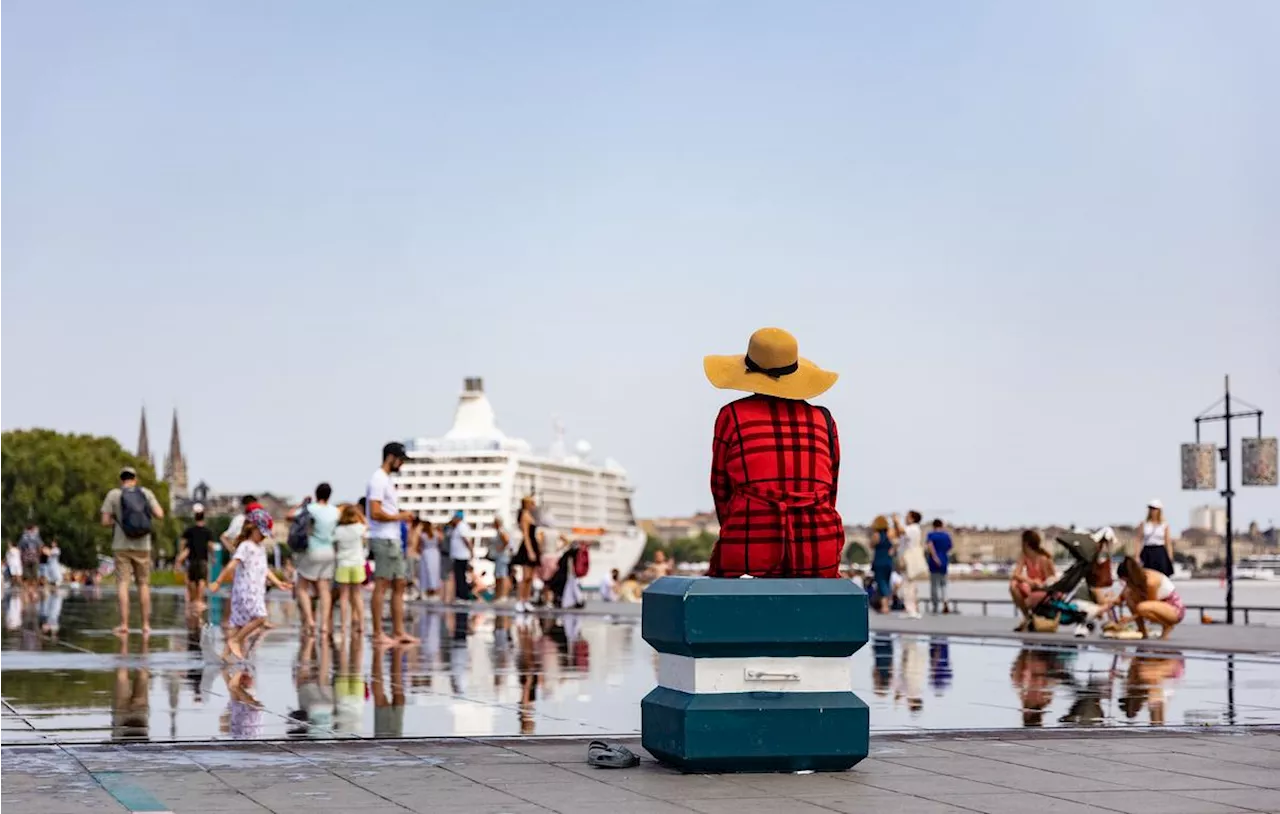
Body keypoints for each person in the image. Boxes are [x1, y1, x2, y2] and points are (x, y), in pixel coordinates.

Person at [703, 327, 844, 578]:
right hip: (819, 549)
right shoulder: (824, 419)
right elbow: (830, 490)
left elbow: (720, 489)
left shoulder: (732, 416)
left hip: (749, 547)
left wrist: (746, 522)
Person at [210, 508, 292, 660]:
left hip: (254, 591)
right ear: (251, 528)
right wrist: (218, 581)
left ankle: (224, 657)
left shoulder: (260, 548)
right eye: (261, 533)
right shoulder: (246, 546)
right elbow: (232, 565)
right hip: (246, 591)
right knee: (260, 617)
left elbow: (265, 570)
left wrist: (278, 582)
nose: (263, 537)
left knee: (238, 626)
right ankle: (235, 641)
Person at [100, 466, 165, 636]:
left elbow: (104, 521)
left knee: (123, 583)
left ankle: (124, 624)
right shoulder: (146, 493)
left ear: (121, 479)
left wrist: (117, 521)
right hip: (143, 545)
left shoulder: (114, 495)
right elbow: (160, 513)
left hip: (121, 545)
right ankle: (145, 625)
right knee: (143, 584)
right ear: (135, 479)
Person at [366, 442, 418, 647]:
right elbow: (376, 511)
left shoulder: (386, 480)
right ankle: (378, 632)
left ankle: (398, 631)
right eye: (400, 460)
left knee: (399, 583)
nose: (402, 465)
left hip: (393, 538)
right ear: (390, 457)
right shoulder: (378, 479)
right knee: (382, 584)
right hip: (383, 537)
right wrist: (400, 516)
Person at [288, 483, 339, 637]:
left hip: (312, 549)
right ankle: (324, 625)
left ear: (316, 494)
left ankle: (310, 620)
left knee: (301, 587)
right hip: (329, 551)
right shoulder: (335, 511)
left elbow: (289, 515)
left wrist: (302, 504)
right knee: (324, 590)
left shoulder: (311, 509)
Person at [1112, 556, 1185, 640]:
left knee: (1142, 607)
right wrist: (1108, 604)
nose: (1126, 583)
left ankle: (1167, 625)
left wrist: (1129, 619)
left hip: (1174, 609)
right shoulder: (1136, 580)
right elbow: (1121, 597)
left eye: (1125, 581)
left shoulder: (1151, 582)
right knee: (1129, 598)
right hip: (1157, 605)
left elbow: (1148, 606)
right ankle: (1143, 631)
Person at [333, 503, 368, 641]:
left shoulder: (339, 530)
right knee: (358, 595)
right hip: (357, 564)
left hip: (343, 564)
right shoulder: (359, 528)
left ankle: (343, 626)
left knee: (343, 597)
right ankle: (362, 624)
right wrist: (360, 515)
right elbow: (366, 524)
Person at [1009, 529, 1056, 632]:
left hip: (1044, 588)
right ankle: (1027, 617)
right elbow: (1015, 574)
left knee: (1020, 585)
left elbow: (1051, 580)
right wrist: (1029, 580)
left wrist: (1038, 583)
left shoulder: (1043, 558)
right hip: (1032, 586)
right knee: (1013, 585)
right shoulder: (1025, 556)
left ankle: (1028, 618)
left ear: (1025, 543)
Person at [175, 505, 213, 610]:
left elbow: (182, 543)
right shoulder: (207, 531)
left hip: (191, 559)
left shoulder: (189, 530)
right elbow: (210, 546)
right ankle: (199, 600)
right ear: (203, 518)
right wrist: (213, 556)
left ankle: (193, 600)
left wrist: (181, 554)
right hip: (203, 558)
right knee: (201, 580)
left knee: (191, 580)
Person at [892, 511, 926, 619]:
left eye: (907, 516)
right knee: (909, 584)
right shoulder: (914, 529)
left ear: (912, 518)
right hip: (908, 558)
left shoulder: (913, 528)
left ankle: (910, 610)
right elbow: (898, 533)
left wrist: (896, 521)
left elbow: (902, 531)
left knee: (908, 585)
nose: (905, 518)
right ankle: (911, 608)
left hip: (909, 559)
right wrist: (895, 524)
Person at [512, 496, 541, 613]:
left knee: (530, 577)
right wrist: (530, 551)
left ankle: (526, 600)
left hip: (533, 545)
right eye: (532, 503)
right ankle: (520, 600)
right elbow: (526, 535)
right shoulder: (524, 515)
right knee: (525, 576)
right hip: (527, 547)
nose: (534, 505)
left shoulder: (530, 515)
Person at [1136, 499, 1174, 577]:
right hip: (1147, 551)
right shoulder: (1144, 524)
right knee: (1146, 574)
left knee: (1162, 575)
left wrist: (1170, 557)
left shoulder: (1164, 525)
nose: (1152, 511)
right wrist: (1136, 556)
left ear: (1159, 510)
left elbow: (1168, 542)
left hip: (1160, 551)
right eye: (1151, 509)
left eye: (1154, 509)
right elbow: (1138, 540)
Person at [926, 519, 953, 614]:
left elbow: (930, 546)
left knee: (934, 585)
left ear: (933, 526)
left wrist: (935, 557)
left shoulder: (931, 535)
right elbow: (950, 547)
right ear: (941, 525)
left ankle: (935, 605)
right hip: (944, 560)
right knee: (944, 584)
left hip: (934, 561)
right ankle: (945, 601)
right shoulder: (946, 535)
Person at [870, 516, 896, 614]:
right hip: (888, 561)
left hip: (879, 561)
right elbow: (895, 545)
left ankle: (885, 606)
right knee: (887, 581)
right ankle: (886, 604)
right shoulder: (890, 534)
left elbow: (871, 545)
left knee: (881, 582)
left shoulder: (876, 535)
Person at [447, 511, 474, 602]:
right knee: (458, 576)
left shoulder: (462, 526)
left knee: (461, 576)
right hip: (457, 556)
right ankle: (460, 595)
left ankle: (463, 596)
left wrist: (471, 551)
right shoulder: (457, 527)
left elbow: (466, 540)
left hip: (461, 556)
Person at [491, 516, 513, 603]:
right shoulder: (501, 530)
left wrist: (501, 548)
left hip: (502, 556)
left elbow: (506, 540)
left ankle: (503, 595)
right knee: (499, 575)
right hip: (501, 556)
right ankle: (499, 595)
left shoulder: (501, 530)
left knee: (502, 575)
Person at [419, 520, 442, 601]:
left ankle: (428, 590)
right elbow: (441, 540)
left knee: (426, 573)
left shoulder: (422, 535)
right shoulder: (436, 533)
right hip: (435, 553)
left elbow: (419, 545)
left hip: (426, 553)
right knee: (434, 573)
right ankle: (434, 590)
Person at [18, 524, 42, 590]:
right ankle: (34, 591)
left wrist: (21, 557)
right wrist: (38, 555)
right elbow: (40, 547)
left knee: (26, 576)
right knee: (34, 575)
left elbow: (20, 548)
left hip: (26, 558)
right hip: (35, 558)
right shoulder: (36, 536)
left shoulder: (23, 537)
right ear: (32, 529)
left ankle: (27, 590)